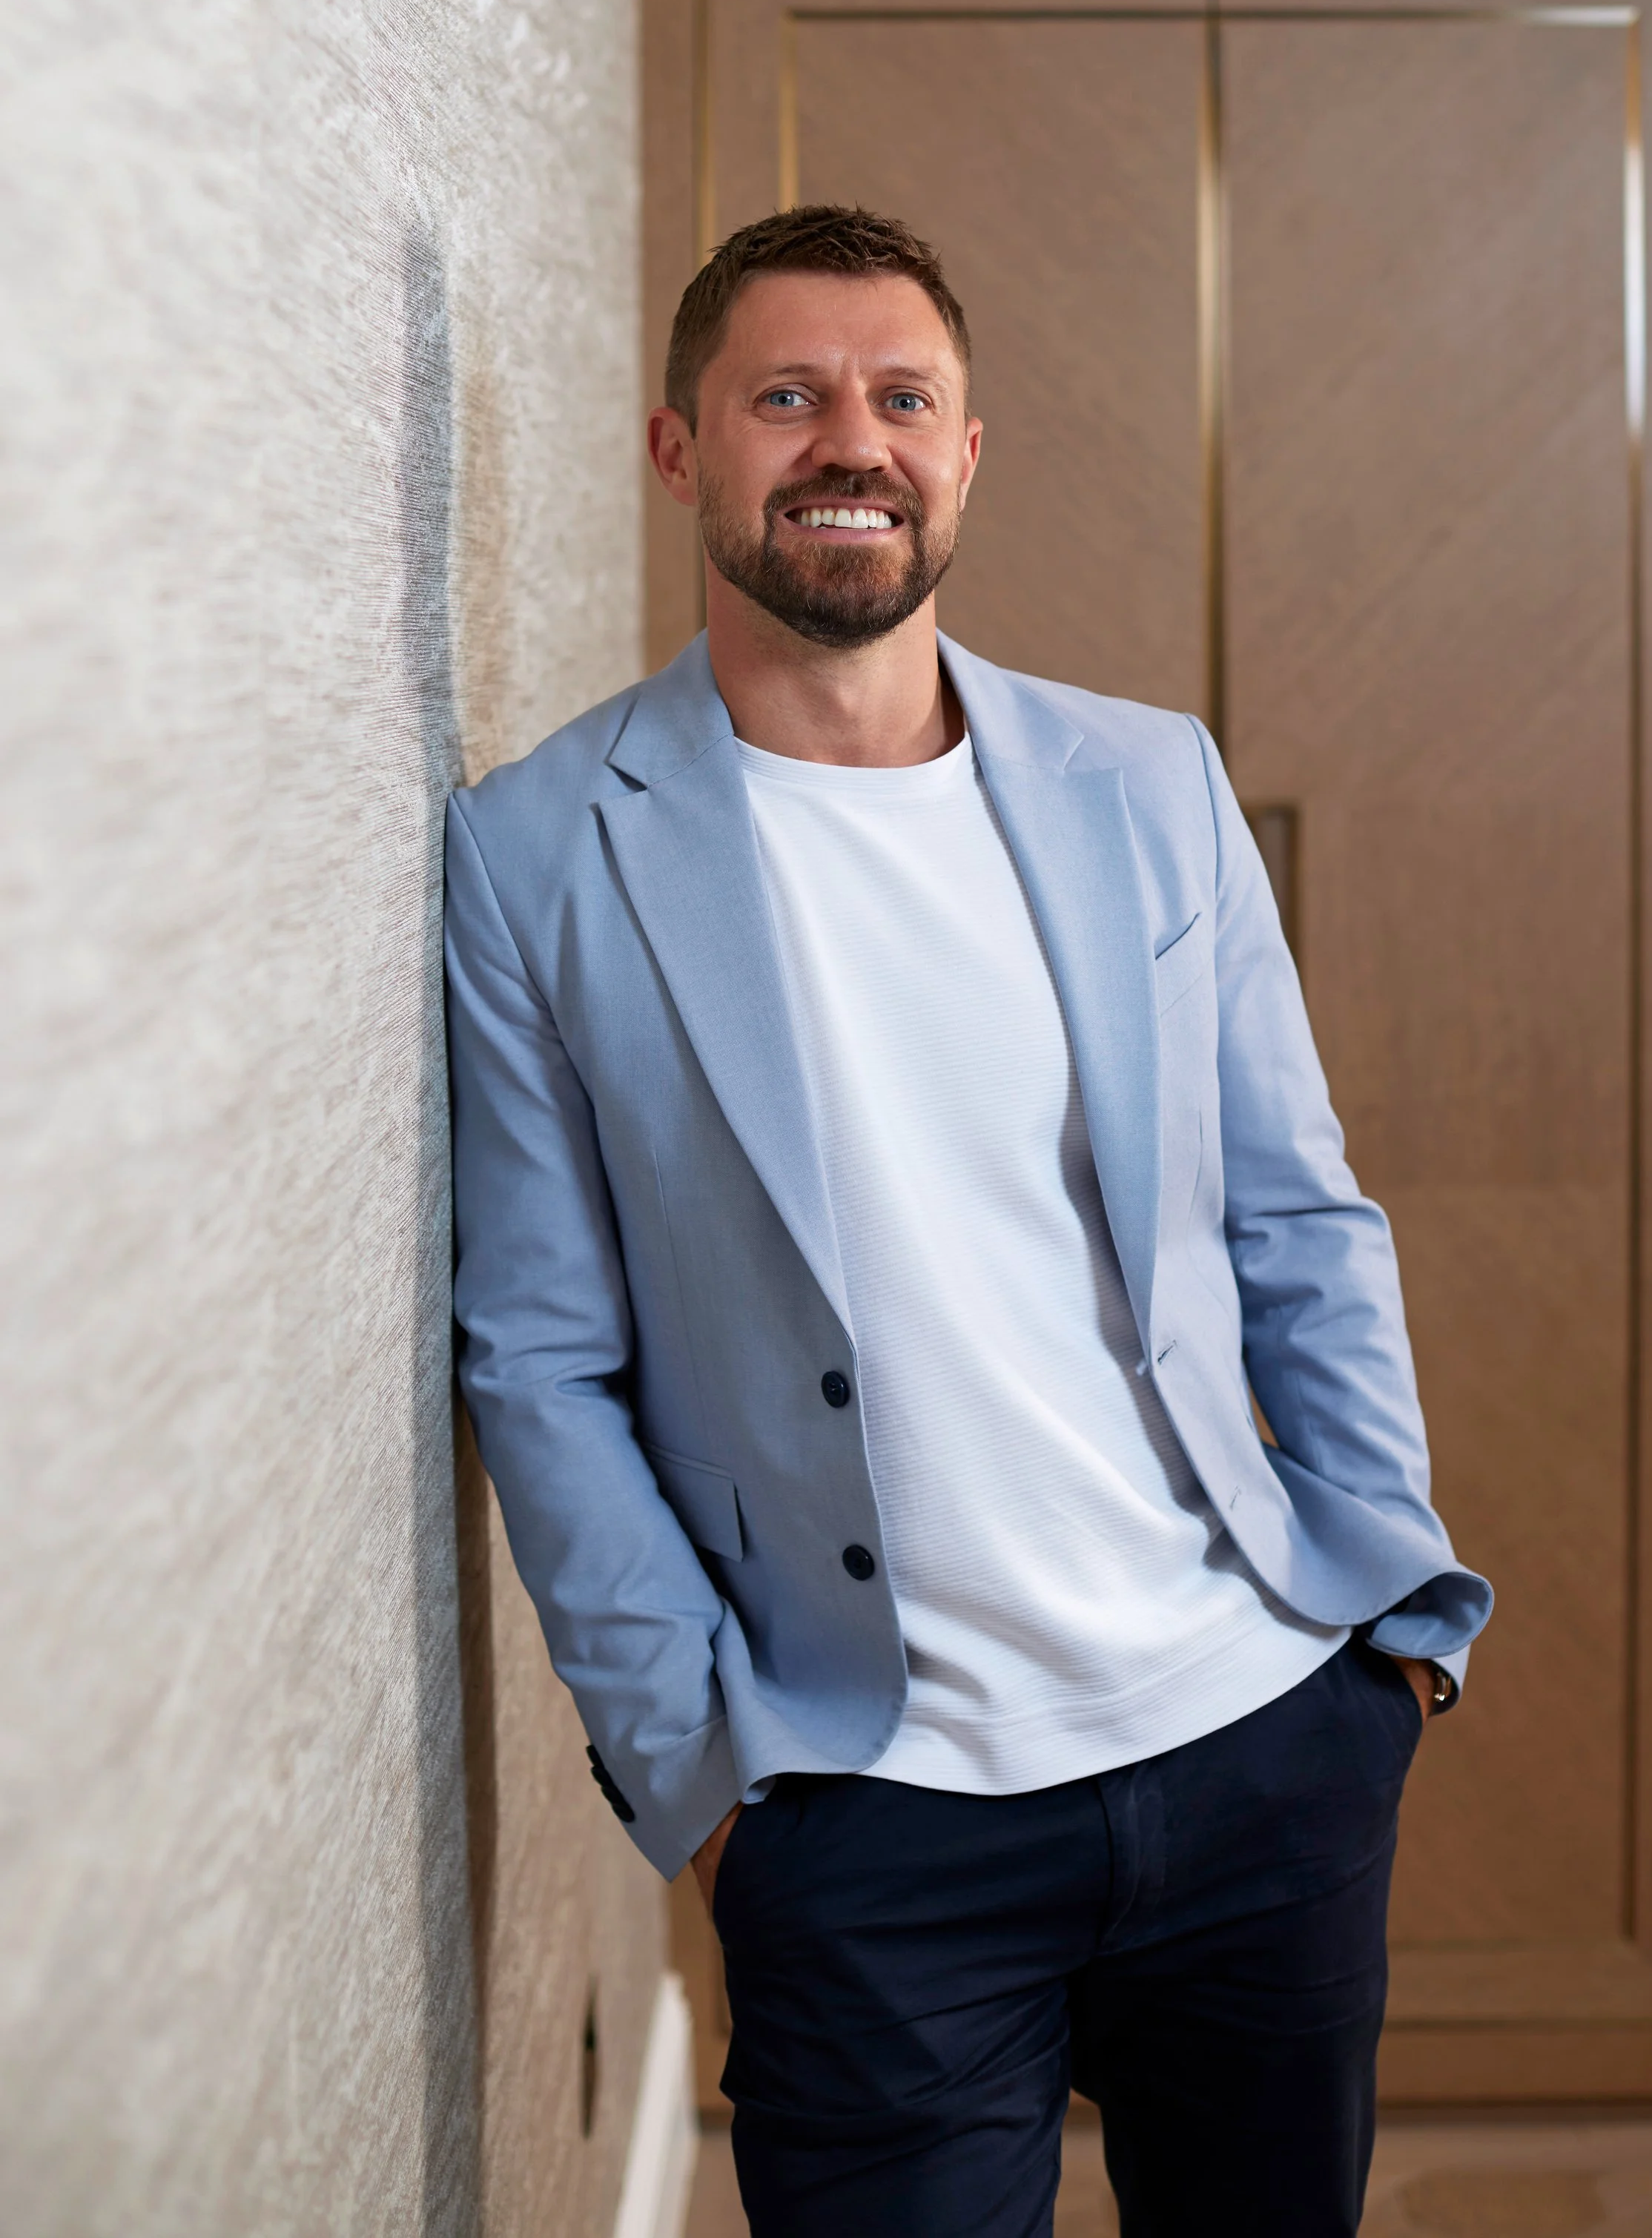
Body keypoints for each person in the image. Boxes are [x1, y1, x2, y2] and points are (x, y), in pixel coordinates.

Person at [444, 202, 1492, 2237]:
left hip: (1258, 1743)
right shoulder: (539, 854)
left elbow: (1295, 1209)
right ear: (682, 451)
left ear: (966, 449)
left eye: (900, 396)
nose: (853, 439)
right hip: (865, 1819)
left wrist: (1388, 1627)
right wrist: (712, 1786)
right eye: (787, 395)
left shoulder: (1147, 781)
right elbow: (541, 1361)